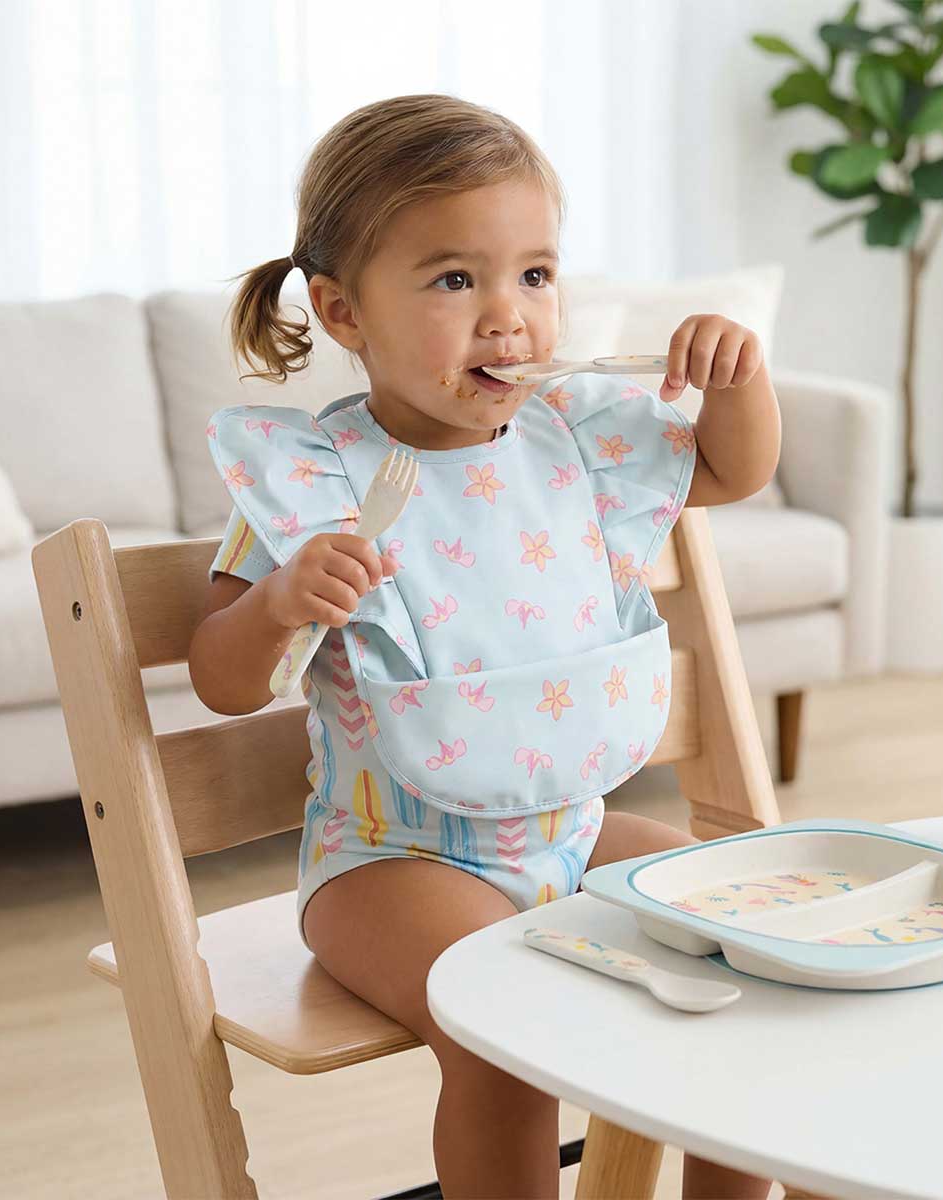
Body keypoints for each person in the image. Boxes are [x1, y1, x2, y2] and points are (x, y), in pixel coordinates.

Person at [189, 93, 782, 1200]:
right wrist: (276, 603)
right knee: (505, 1033)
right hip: (391, 864)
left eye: (535, 275)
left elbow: (731, 470)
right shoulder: (313, 482)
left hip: (575, 832)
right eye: (456, 279)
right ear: (343, 311)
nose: (508, 318)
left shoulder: (578, 447)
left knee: (753, 950)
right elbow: (220, 681)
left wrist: (739, 382)